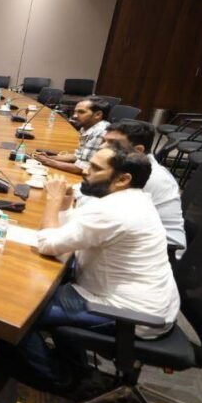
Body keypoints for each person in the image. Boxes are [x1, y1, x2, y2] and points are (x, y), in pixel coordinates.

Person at [16, 146, 180, 389]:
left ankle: (59, 380)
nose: (85, 171)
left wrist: (53, 200)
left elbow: (48, 244)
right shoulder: (132, 199)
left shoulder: (116, 211)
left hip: (131, 315)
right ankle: (75, 366)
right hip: (146, 304)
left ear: (123, 179)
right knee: (43, 289)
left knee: (19, 309)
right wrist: (66, 203)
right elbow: (72, 231)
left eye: (95, 168)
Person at [98, 122, 185, 252]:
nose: (102, 147)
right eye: (104, 141)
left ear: (138, 150)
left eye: (112, 144)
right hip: (133, 238)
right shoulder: (129, 167)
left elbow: (103, 216)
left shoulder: (149, 177)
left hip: (159, 252)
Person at [34, 98, 110, 175]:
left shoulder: (100, 131)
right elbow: (78, 156)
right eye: (75, 112)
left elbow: (82, 168)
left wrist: (47, 161)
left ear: (98, 115)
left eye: (81, 112)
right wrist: (49, 158)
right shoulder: (88, 127)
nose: (74, 116)